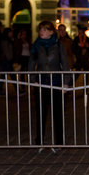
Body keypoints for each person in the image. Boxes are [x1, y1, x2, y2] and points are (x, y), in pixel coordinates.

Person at [28, 20, 72, 151]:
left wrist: (65, 83)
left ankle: (59, 142)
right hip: (41, 83)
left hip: (56, 82)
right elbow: (31, 64)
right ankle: (39, 142)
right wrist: (32, 79)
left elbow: (65, 64)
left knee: (58, 114)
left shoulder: (58, 45)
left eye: (45, 29)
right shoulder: (36, 46)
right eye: (41, 29)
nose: (42, 32)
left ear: (51, 32)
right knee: (40, 114)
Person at [14, 28, 31, 93]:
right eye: (23, 34)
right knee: (23, 73)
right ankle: (23, 87)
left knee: (28, 73)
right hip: (22, 57)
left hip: (28, 57)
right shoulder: (18, 41)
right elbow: (17, 49)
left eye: (25, 34)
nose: (24, 35)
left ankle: (29, 86)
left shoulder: (28, 41)